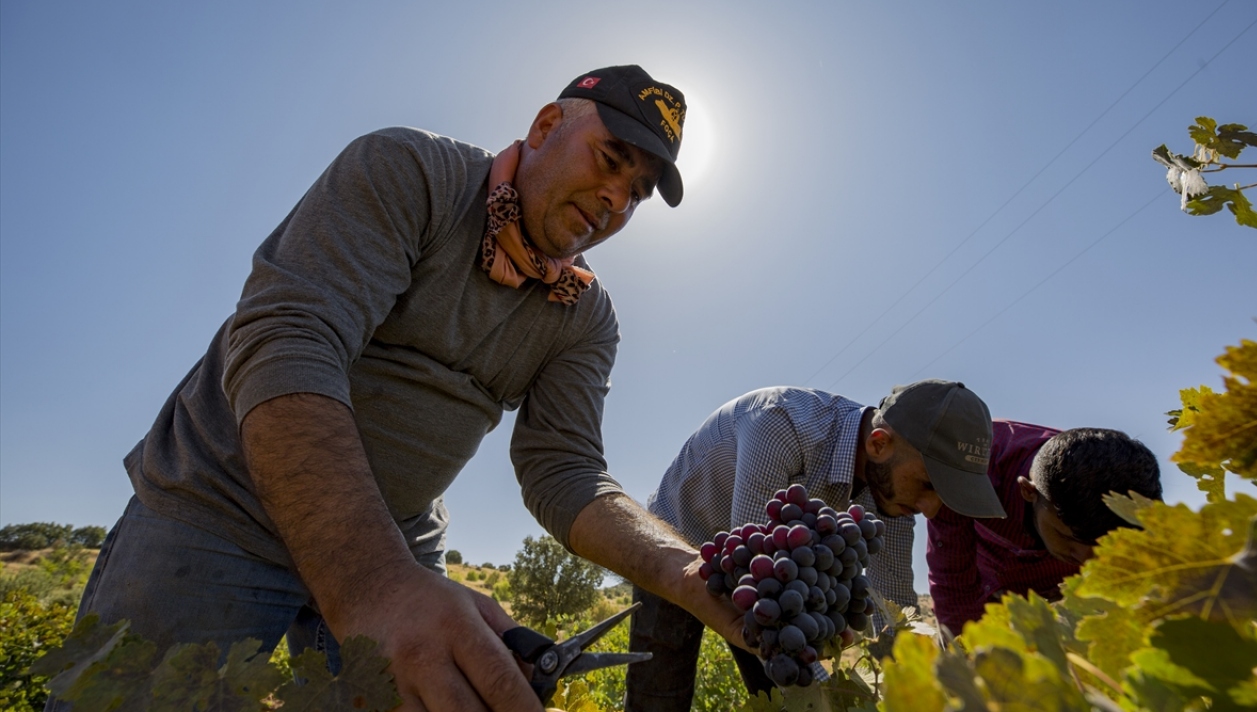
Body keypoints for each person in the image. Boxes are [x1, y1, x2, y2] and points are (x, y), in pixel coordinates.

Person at [52, 65, 742, 712]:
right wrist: (373, 586)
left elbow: (564, 470)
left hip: (399, 542)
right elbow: (290, 341)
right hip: (223, 511)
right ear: (544, 128)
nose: (617, 200)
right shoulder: (413, 173)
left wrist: (688, 573)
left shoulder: (584, 314)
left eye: (639, 192)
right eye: (611, 160)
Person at [626, 380, 1005, 710]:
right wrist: (824, 692)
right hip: (676, 539)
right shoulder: (781, 426)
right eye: (927, 485)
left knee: (791, 693)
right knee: (659, 698)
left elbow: (892, 612)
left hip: (757, 565)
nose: (930, 510)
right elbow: (763, 591)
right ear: (878, 443)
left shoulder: (894, 494)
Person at [927, 424, 1162, 635]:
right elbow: (952, 581)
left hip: (1063, 597)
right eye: (1067, 537)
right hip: (984, 587)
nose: (1083, 558)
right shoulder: (973, 466)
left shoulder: (1138, 506)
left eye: (1103, 547)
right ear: (1029, 491)